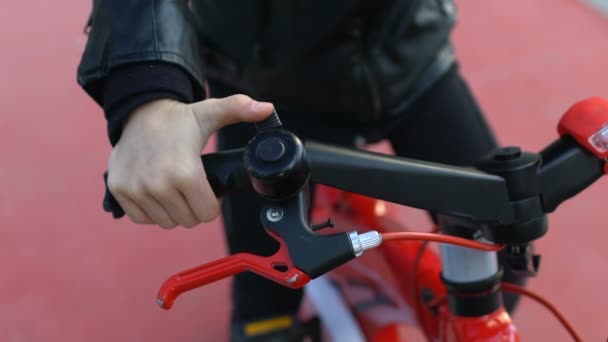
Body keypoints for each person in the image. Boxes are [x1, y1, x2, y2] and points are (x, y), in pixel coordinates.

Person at [78, 1, 523, 341]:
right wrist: (147, 90)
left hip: (410, 60)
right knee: (265, 302)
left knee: (508, 240)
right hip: (264, 89)